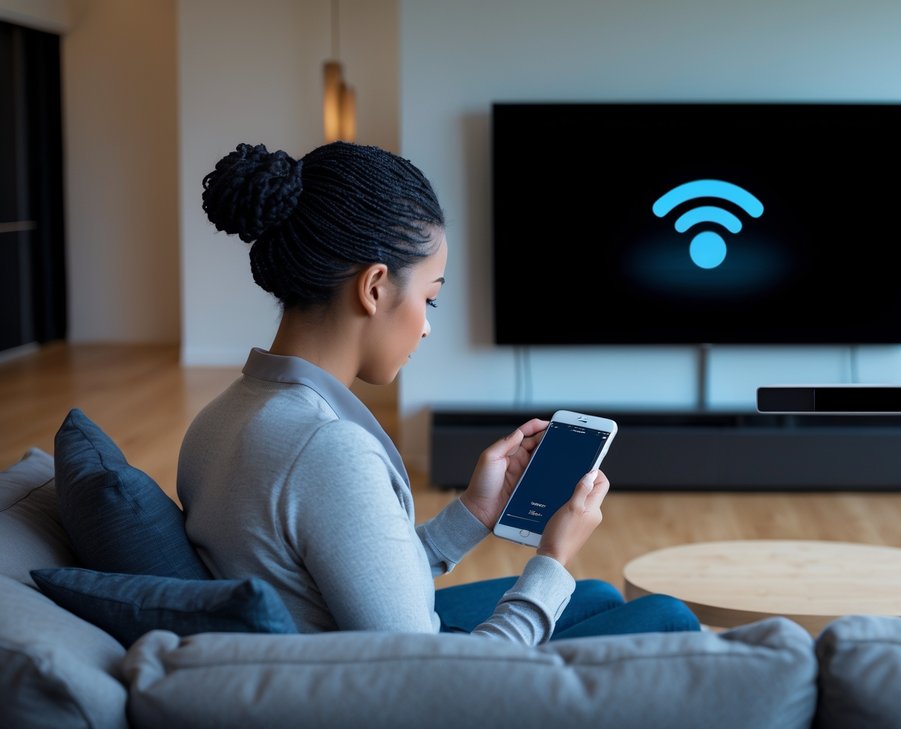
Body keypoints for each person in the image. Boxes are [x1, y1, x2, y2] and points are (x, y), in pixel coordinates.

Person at [180, 141, 699, 643]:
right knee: (667, 616)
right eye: (430, 298)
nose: (426, 328)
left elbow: (356, 579)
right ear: (375, 287)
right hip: (397, 700)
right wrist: (552, 560)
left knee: (598, 596)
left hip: (347, 658)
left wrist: (474, 512)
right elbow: (436, 683)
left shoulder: (218, 419)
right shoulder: (329, 451)